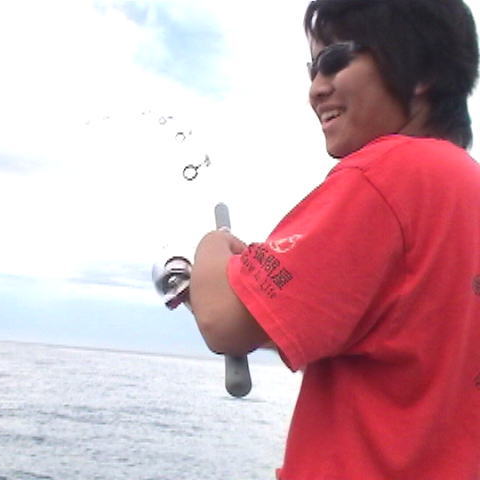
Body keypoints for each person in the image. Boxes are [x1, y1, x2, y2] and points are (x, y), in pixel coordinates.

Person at [188, 0, 480, 478]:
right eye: (312, 68)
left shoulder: (388, 174)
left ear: (423, 68)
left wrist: (213, 246)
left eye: (334, 59)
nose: (316, 88)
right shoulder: (464, 190)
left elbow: (225, 322)